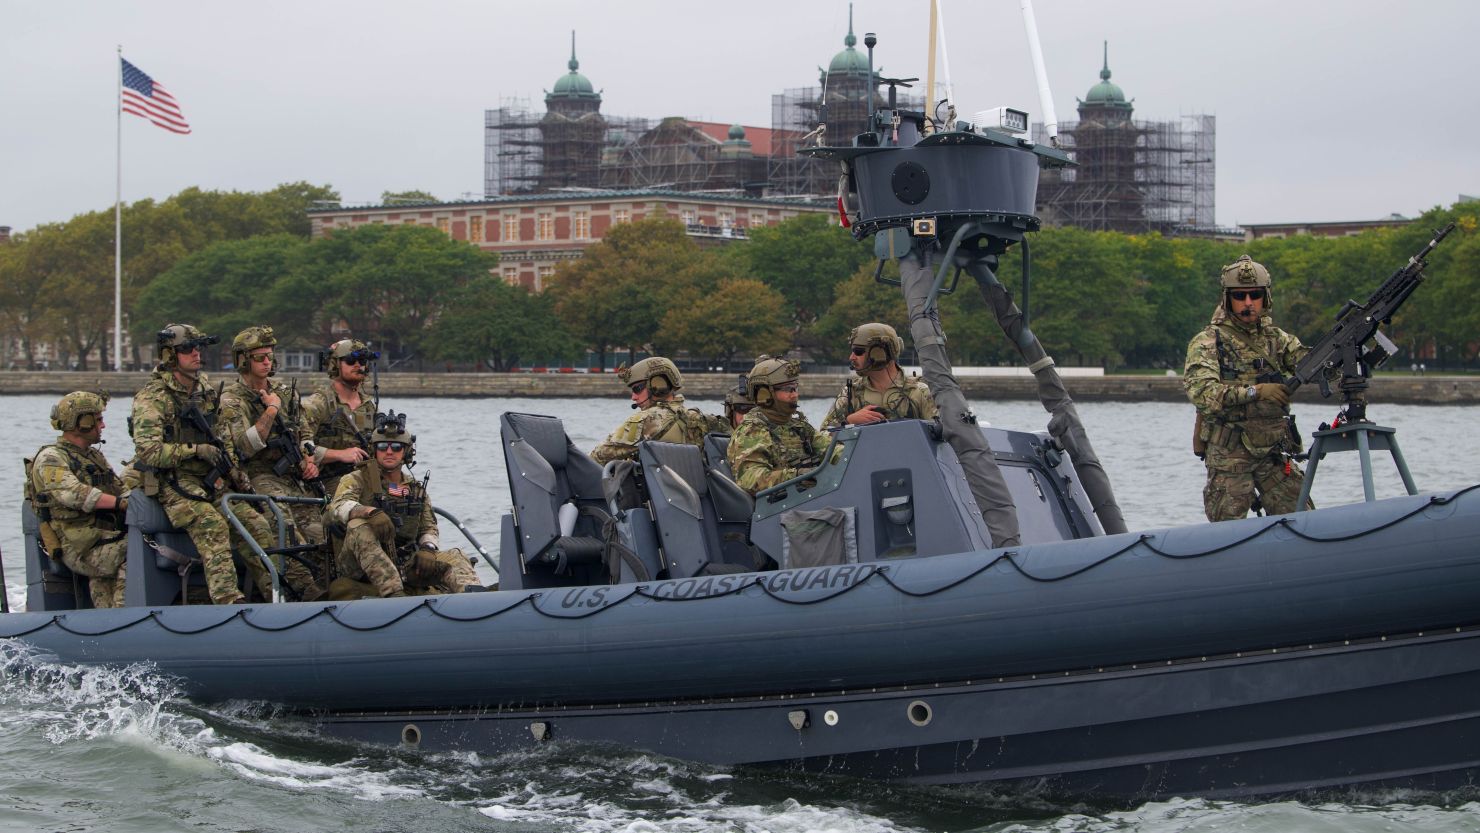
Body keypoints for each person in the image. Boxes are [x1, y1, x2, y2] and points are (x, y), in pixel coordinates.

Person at [130, 324, 275, 604]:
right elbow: (148, 452)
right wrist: (195, 450)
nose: (196, 354)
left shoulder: (205, 389)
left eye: (198, 348)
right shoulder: (152, 398)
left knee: (257, 523)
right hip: (173, 482)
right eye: (188, 349)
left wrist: (234, 473)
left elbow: (223, 438)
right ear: (171, 355)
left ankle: (275, 594)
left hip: (211, 478)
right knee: (211, 523)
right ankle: (228, 599)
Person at [1184, 255, 1314, 522]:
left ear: (1264, 298)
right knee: (1228, 533)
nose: (1247, 303)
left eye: (1254, 295)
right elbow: (1204, 394)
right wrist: (1256, 391)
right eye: (1239, 296)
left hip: (1272, 454)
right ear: (1227, 299)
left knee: (1305, 520)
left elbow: (1310, 362)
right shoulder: (1208, 341)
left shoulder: (1276, 340)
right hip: (1230, 457)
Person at [217, 326, 329, 601]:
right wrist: (271, 410)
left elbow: (303, 432)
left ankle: (330, 585)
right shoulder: (232, 400)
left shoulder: (283, 391)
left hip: (293, 476)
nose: (267, 362)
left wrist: (308, 458)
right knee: (284, 526)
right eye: (260, 358)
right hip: (259, 475)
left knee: (320, 530)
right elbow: (244, 447)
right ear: (244, 361)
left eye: (269, 356)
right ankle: (304, 591)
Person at [327, 411, 479, 599]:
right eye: (382, 446)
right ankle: (395, 596)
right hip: (358, 566)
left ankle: (475, 602)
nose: (389, 451)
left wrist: (428, 549)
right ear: (374, 450)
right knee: (359, 526)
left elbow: (429, 527)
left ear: (406, 452)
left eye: (396, 447)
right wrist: (369, 512)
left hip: (403, 562)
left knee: (456, 556)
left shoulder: (415, 489)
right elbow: (337, 506)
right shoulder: (357, 479)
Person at [25, 392, 129, 608]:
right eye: (98, 420)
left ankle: (107, 615)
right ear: (82, 422)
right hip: (75, 544)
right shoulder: (51, 458)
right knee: (134, 551)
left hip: (100, 537)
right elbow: (74, 494)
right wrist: (121, 504)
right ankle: (124, 614)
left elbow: (120, 489)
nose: (103, 426)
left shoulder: (93, 457)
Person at [590, 357, 728, 465]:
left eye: (637, 389)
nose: (633, 397)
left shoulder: (645, 420)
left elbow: (598, 457)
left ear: (657, 385)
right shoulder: (702, 420)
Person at [727, 356, 832, 495]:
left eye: (795, 388)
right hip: (776, 510)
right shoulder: (752, 431)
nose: (794, 395)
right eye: (788, 389)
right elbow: (750, 479)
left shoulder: (800, 428)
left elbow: (831, 450)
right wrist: (799, 476)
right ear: (765, 394)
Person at [821, 322, 936, 430]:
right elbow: (822, 436)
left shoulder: (919, 392)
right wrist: (848, 422)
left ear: (879, 353)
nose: (852, 357)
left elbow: (941, 437)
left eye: (858, 351)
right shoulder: (851, 393)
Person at [301, 338, 379, 497]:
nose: (358, 365)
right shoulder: (318, 404)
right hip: (328, 480)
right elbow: (300, 445)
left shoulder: (369, 406)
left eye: (362, 361)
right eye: (351, 360)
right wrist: (340, 454)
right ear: (336, 365)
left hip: (366, 477)